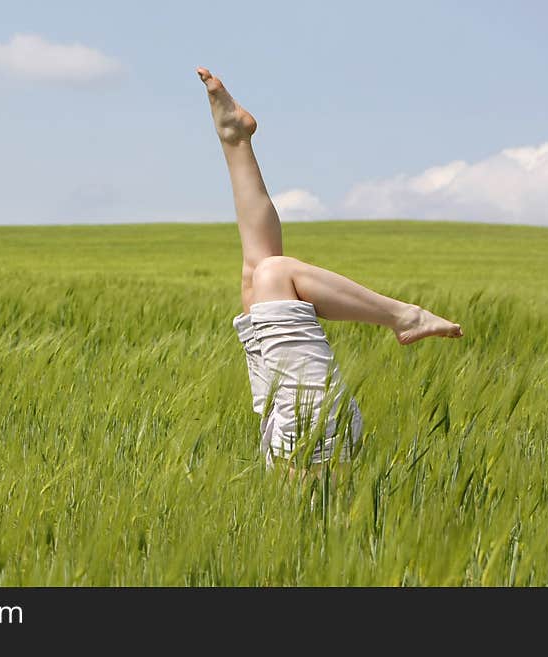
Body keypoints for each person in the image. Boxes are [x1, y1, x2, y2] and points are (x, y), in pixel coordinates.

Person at [196, 67, 463, 471]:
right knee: (272, 275)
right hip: (311, 434)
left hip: (295, 430)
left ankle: (235, 140)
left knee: (260, 275)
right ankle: (403, 316)